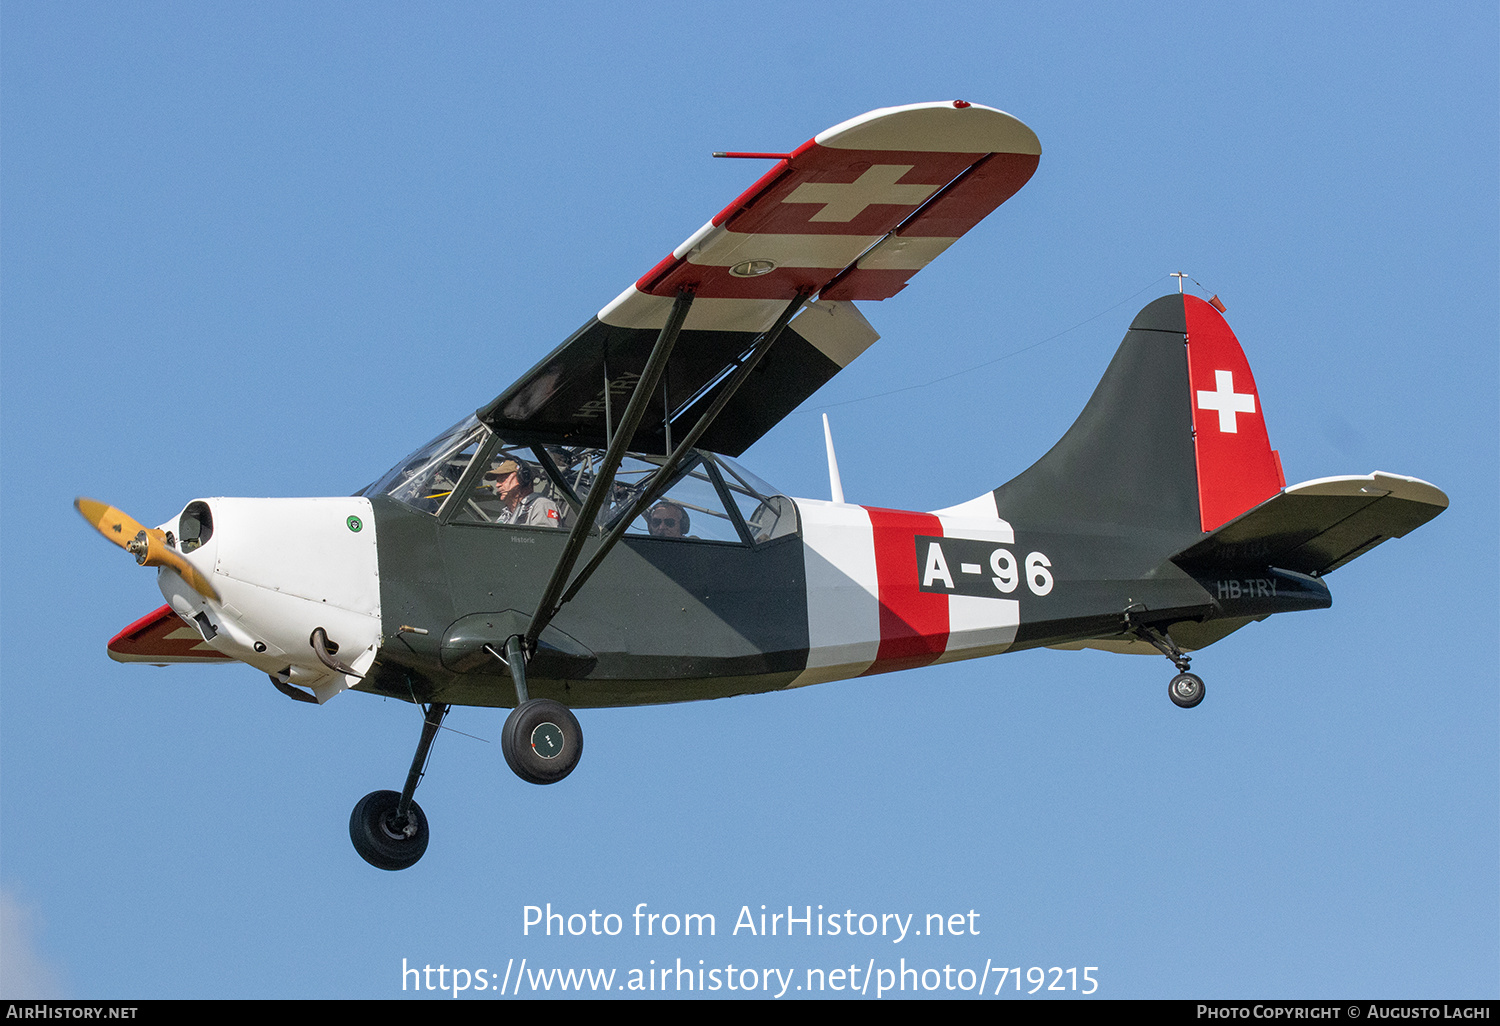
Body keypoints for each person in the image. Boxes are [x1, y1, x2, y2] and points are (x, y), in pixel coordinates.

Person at [488, 459, 561, 528]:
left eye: (503, 479)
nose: (497, 485)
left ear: (523, 478)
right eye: (497, 480)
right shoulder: (505, 515)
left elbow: (545, 539)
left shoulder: (542, 505)